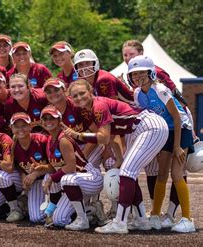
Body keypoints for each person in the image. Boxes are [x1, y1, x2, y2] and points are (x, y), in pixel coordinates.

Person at [65, 79, 169, 234]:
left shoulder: (98, 106)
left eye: (82, 93)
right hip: (141, 128)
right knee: (127, 173)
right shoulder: (94, 106)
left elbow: (104, 138)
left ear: (90, 91)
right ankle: (141, 220)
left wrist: (78, 135)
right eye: (75, 96)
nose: (79, 97)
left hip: (148, 127)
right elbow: (113, 135)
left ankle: (120, 223)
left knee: (127, 173)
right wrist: (119, 158)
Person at [129, 56, 195, 232]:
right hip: (164, 131)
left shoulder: (160, 89)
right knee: (161, 174)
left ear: (150, 72)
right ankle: (156, 215)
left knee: (177, 174)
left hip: (182, 129)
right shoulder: (137, 94)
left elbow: (177, 117)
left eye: (141, 72)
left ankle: (188, 219)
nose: (138, 76)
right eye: (134, 74)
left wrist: (177, 146)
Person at [37, 106, 103, 230]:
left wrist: (52, 178)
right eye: (45, 119)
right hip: (77, 181)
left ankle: (82, 219)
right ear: (41, 122)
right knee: (59, 219)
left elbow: (71, 167)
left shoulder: (63, 140)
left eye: (52, 118)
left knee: (64, 179)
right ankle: (92, 209)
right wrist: (44, 168)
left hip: (89, 178)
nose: (48, 121)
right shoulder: (50, 139)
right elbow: (58, 166)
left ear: (59, 120)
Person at [6, 112, 49, 222]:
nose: (20, 129)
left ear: (30, 126)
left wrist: (36, 173)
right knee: (36, 218)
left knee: (38, 218)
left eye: (24, 125)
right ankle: (21, 205)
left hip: (45, 178)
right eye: (16, 126)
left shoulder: (43, 140)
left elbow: (57, 165)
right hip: (33, 182)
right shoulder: (13, 145)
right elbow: (18, 166)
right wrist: (23, 176)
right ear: (11, 128)